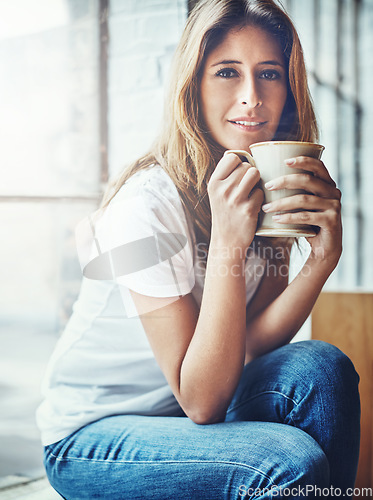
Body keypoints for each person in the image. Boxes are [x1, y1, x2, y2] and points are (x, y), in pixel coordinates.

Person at [37, 0, 360, 498]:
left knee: (323, 367)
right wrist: (229, 239)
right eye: (227, 72)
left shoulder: (263, 186)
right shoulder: (147, 205)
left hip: (187, 406)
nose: (252, 97)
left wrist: (320, 262)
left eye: (269, 73)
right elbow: (203, 401)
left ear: (289, 90)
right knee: (287, 464)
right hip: (93, 434)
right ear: (193, 87)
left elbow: (250, 344)